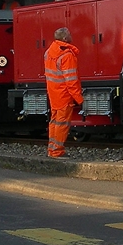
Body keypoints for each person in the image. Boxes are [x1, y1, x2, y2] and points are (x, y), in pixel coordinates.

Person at [43, 27, 83, 159]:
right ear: (65, 38)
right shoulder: (67, 55)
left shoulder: (49, 52)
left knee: (54, 122)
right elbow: (71, 81)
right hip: (64, 95)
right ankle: (57, 151)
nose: (72, 36)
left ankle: (52, 149)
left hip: (53, 93)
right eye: (70, 34)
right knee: (62, 123)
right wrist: (79, 98)